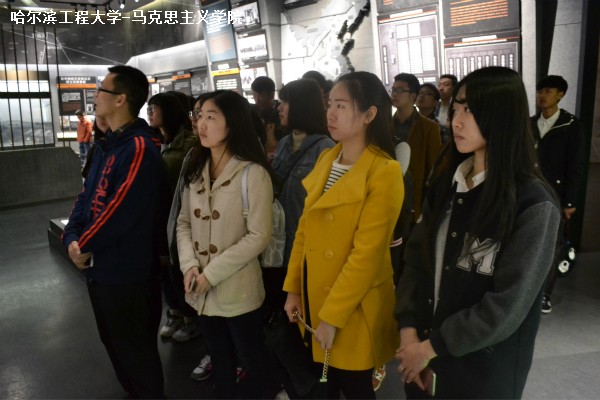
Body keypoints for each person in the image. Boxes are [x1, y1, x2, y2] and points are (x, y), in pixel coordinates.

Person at [394, 66, 561, 399]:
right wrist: (409, 332)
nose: (456, 121)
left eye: (469, 110)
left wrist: (431, 347)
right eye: (456, 109)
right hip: (421, 360)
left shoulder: (532, 204)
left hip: (480, 374)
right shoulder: (447, 182)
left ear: (502, 115)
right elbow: (416, 260)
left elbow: (507, 305)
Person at [283, 71, 404, 399]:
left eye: (341, 106)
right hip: (316, 297)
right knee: (326, 384)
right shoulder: (328, 157)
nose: (331, 114)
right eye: (329, 105)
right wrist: (293, 289)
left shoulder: (384, 171)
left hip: (354, 307)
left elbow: (366, 255)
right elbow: (304, 231)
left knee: (355, 386)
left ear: (369, 114)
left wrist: (332, 318)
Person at [63, 65, 166, 398]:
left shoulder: (139, 148)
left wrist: (83, 244)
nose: (95, 96)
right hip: (101, 269)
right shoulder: (106, 146)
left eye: (101, 90)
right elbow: (86, 197)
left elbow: (120, 211)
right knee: (116, 346)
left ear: (121, 99)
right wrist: (71, 237)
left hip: (128, 273)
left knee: (136, 352)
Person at [176, 90, 272, 399]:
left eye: (211, 117)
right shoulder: (196, 168)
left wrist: (210, 274)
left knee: (251, 357)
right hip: (201, 289)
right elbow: (183, 223)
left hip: (238, 291)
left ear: (232, 123)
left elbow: (258, 236)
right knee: (219, 357)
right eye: (199, 116)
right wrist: (189, 266)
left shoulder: (253, 173)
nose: (201, 124)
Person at [269, 78, 335, 313]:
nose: (279, 108)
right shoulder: (284, 143)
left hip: (308, 249)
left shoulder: (326, 149)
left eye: (285, 102)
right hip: (279, 245)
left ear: (302, 105)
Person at [146, 92, 202, 341]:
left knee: (179, 267)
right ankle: (175, 312)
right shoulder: (153, 141)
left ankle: (191, 317)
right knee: (164, 268)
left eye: (155, 108)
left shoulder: (189, 143)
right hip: (158, 213)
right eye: (149, 108)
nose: (150, 113)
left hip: (179, 213)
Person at [532, 75, 585, 314]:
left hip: (556, 193)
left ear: (560, 94)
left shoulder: (571, 125)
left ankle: (545, 293)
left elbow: (576, 165)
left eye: (549, 91)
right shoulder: (530, 123)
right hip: (529, 190)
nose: (542, 96)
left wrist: (570, 201)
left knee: (552, 246)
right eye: (540, 91)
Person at [391, 73, 441, 222]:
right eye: (393, 89)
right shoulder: (385, 125)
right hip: (388, 192)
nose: (394, 94)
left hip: (414, 197)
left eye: (400, 90)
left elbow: (433, 168)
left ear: (413, 96)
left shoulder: (429, 127)